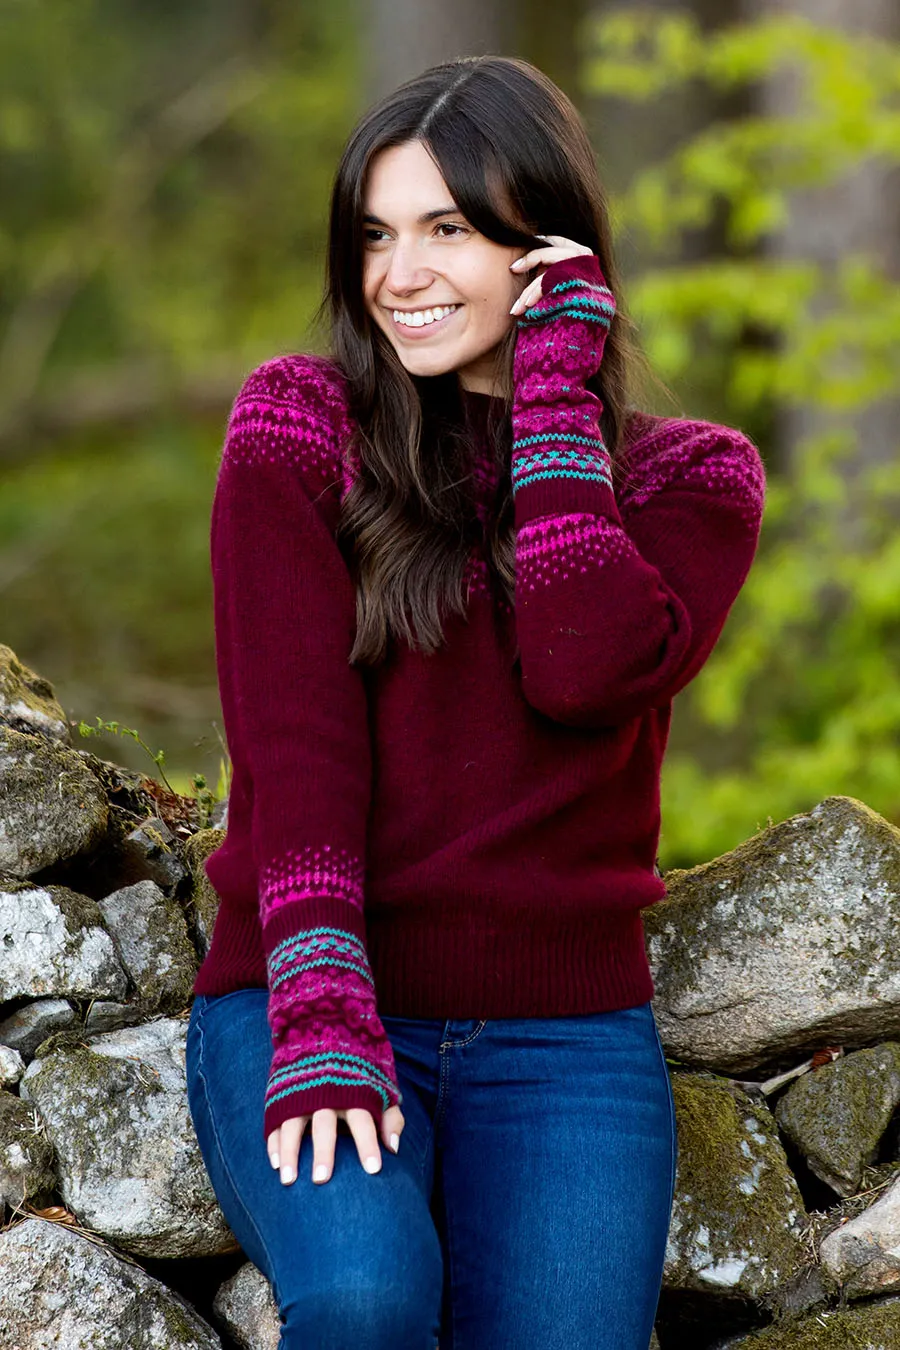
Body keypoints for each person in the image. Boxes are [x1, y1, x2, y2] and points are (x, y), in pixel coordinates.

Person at [184, 54, 766, 1350]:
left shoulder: (691, 481)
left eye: (448, 228)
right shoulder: (300, 428)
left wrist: (552, 398)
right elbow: (296, 745)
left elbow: (578, 671)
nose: (400, 273)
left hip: (565, 1047)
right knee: (368, 1299)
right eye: (377, 235)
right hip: (318, 991)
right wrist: (324, 1007)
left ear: (548, 245)